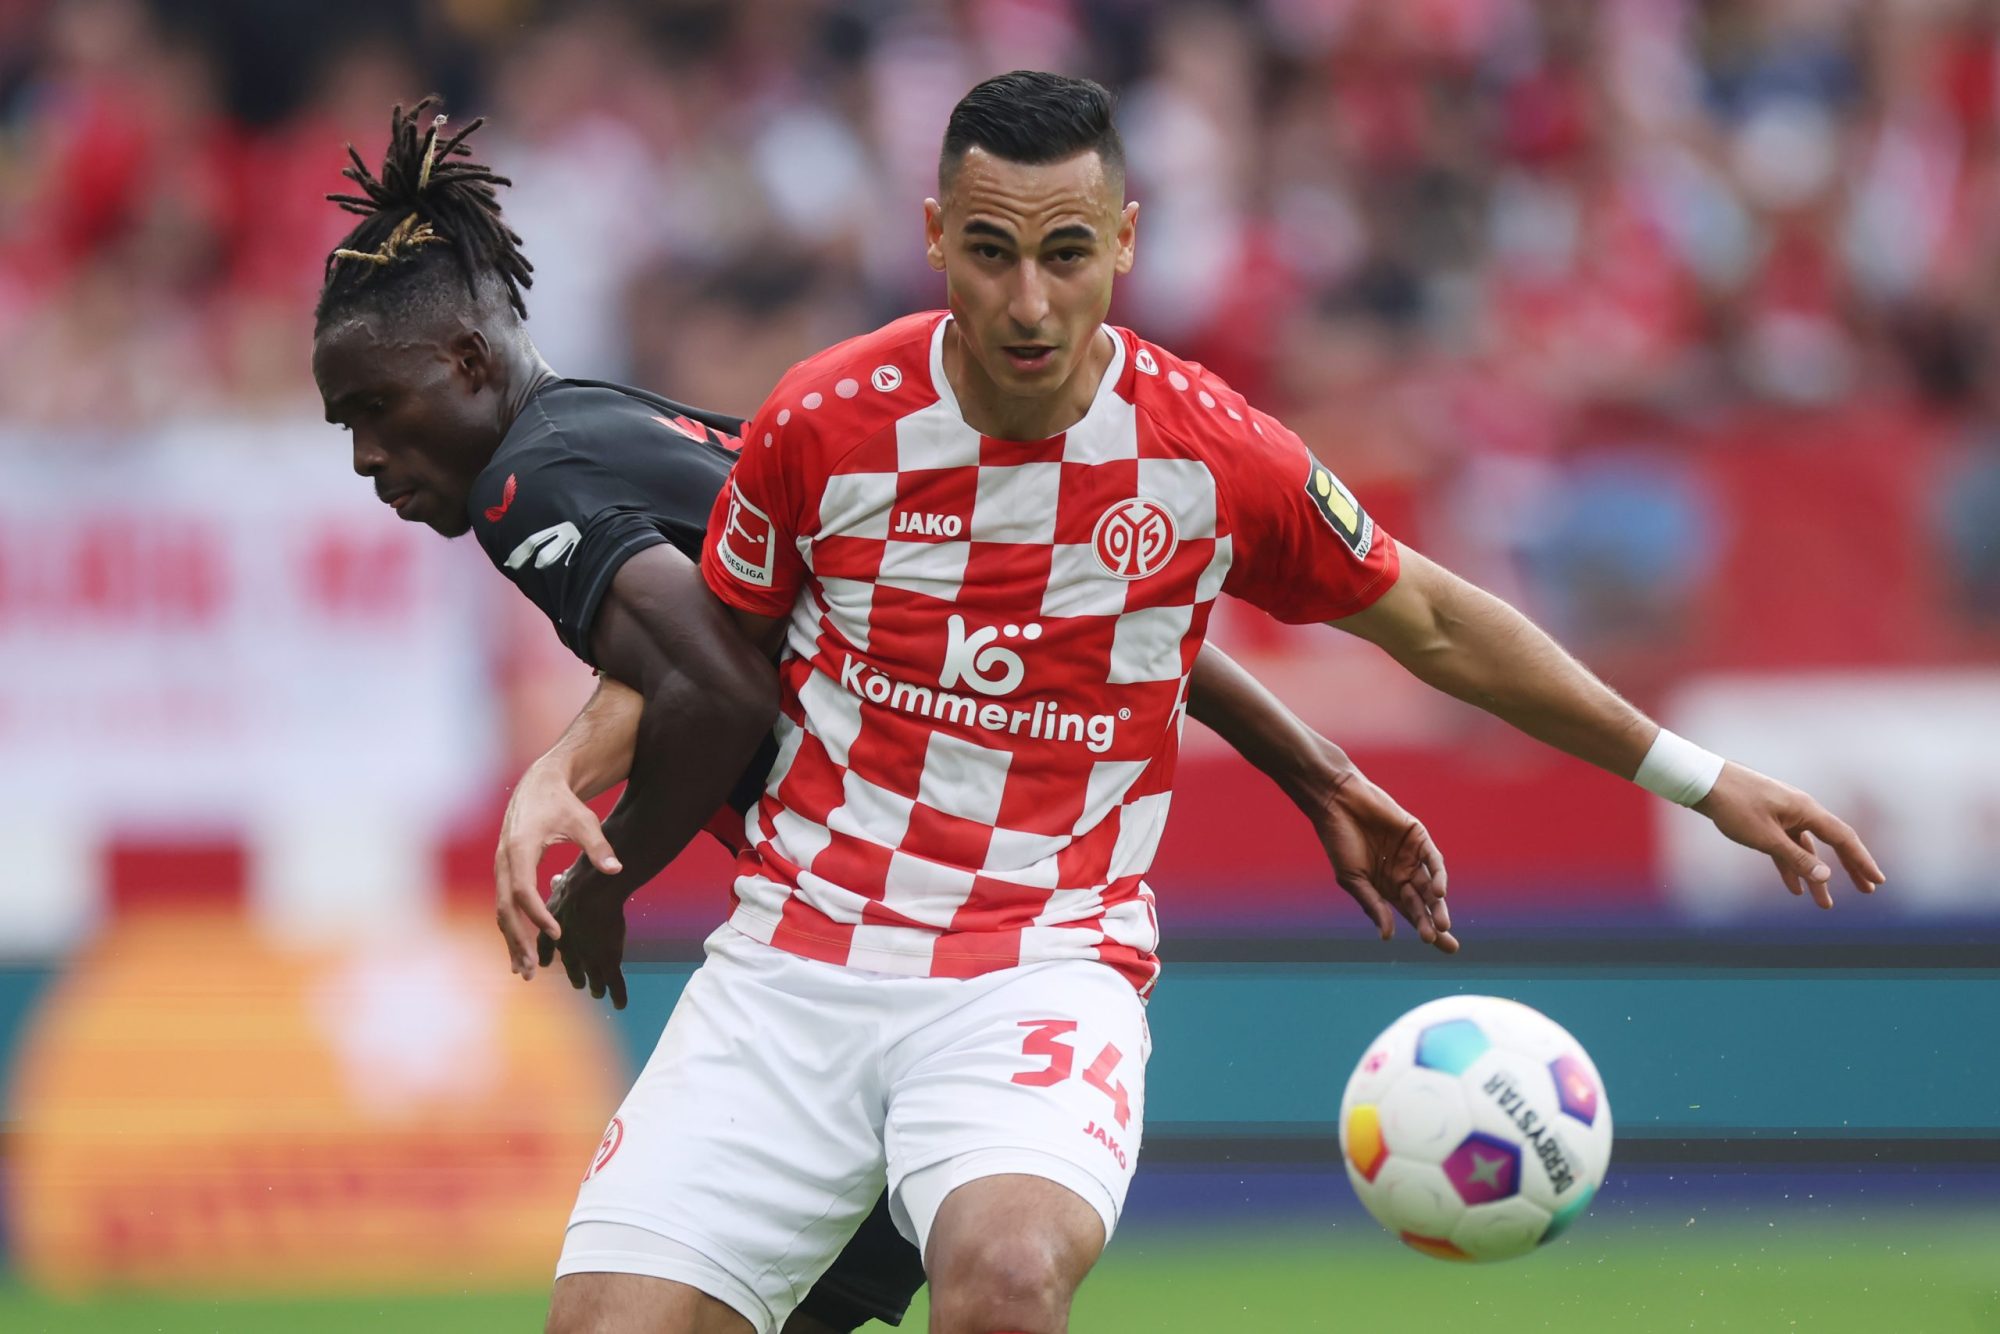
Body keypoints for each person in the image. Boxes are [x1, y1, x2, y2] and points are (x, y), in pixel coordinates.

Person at [531, 71, 1884, 1334]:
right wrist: (562, 769)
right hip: (794, 966)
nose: (1029, 302)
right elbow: (709, 654)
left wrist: (1700, 778)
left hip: (1041, 965)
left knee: (1003, 1281)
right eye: (991, 250)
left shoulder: (1208, 450)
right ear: (936, 233)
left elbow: (1435, 622)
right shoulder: (820, 420)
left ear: (1126, 241)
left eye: (1067, 255)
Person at [310, 99, 1453, 1334]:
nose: (368, 455)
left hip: (931, 951)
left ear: (468, 365)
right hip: (865, 960)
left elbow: (719, 682)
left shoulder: (529, 486)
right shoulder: (622, 426)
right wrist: (1314, 767)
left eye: (374, 410)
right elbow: (1067, 614)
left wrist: (611, 870)